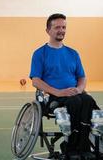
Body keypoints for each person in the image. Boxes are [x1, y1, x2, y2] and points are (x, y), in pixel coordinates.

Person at [30, 13, 99, 159]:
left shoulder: (73, 53)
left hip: (75, 94)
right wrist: (59, 92)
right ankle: (71, 148)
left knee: (87, 100)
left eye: (63, 27)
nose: (61, 30)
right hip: (54, 96)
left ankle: (85, 148)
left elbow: (82, 77)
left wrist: (79, 89)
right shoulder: (39, 53)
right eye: (57, 27)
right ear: (48, 30)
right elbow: (36, 81)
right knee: (76, 102)